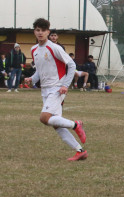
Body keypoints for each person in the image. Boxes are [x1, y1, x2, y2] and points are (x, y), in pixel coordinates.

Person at [24, 18, 87, 161]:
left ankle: (76, 124)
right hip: (45, 89)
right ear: (34, 31)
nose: (40, 33)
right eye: (38, 30)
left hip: (57, 88)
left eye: (43, 30)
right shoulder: (34, 49)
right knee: (56, 124)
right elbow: (39, 71)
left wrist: (65, 85)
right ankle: (80, 151)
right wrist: (31, 79)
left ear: (48, 32)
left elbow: (71, 65)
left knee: (44, 118)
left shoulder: (54, 47)